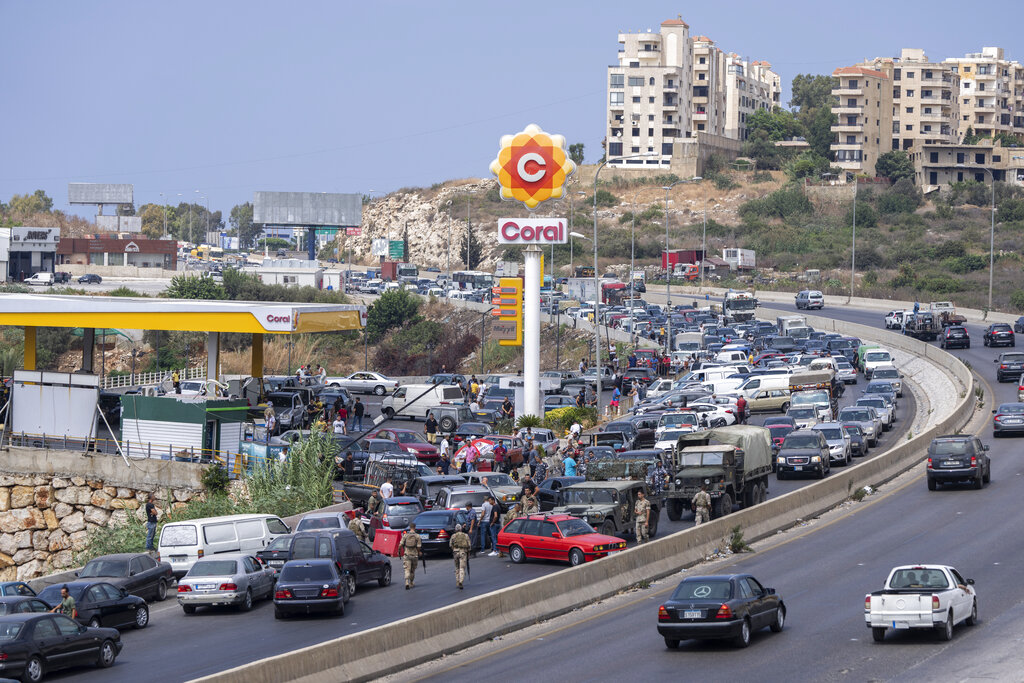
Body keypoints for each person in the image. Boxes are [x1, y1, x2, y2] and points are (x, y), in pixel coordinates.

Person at [400, 523, 422, 589]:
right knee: (412, 570)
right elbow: (419, 546)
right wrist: (419, 552)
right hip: (414, 555)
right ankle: (411, 582)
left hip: (407, 554)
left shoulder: (405, 535)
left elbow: (400, 544)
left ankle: (406, 582)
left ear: (410, 527)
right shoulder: (417, 536)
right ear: (415, 527)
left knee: (407, 569)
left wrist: (399, 551)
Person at [449, 524, 471, 589]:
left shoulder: (453, 536)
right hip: (463, 552)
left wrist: (454, 549)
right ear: (461, 529)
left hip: (455, 552)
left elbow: (450, 545)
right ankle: (461, 580)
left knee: (457, 567)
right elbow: (469, 545)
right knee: (462, 568)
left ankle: (457, 581)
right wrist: (468, 553)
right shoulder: (465, 535)